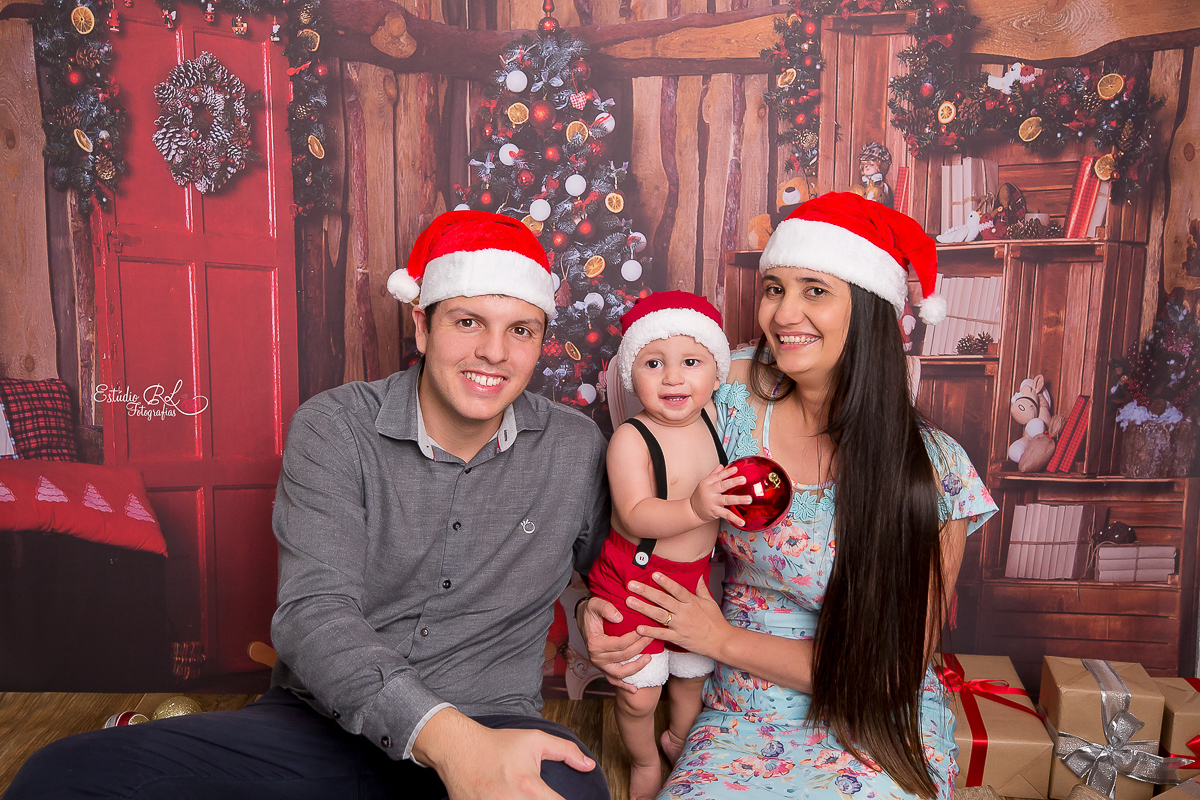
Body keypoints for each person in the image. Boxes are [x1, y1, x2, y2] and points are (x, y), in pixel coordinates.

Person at [5, 210, 611, 800]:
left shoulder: (575, 447)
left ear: (540, 343)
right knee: (58, 777)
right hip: (318, 727)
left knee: (571, 783)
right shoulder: (336, 427)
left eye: (520, 331)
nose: (495, 353)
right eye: (468, 322)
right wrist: (450, 745)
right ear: (422, 326)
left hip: (496, 724)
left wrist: (595, 616)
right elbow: (314, 614)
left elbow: (613, 574)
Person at [578, 192, 996, 799]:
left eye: (815, 291)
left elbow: (891, 672)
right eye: (774, 288)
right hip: (740, 709)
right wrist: (605, 609)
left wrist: (718, 639)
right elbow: (639, 486)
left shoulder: (934, 472)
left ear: (871, 307)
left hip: (872, 722)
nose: (783, 313)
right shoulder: (728, 405)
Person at [589, 291, 747, 800]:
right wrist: (696, 510)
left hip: (694, 578)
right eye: (653, 363)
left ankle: (679, 738)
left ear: (716, 374)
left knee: (691, 673)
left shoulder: (715, 421)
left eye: (692, 362)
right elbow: (635, 512)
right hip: (634, 576)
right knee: (639, 689)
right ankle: (642, 761)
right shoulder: (631, 439)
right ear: (630, 375)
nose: (674, 377)